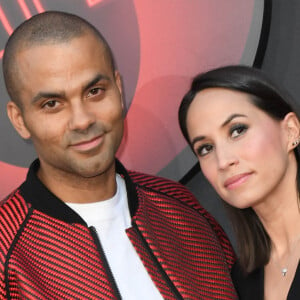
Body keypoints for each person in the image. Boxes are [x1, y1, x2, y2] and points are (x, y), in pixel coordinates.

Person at [0, 11, 237, 299]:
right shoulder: (6, 248)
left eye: (94, 91)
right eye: (52, 104)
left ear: (119, 89)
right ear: (19, 119)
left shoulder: (182, 209)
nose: (82, 120)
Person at [178, 64, 300, 300]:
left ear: (291, 130)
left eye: (237, 130)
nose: (223, 161)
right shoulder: (238, 282)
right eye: (206, 148)